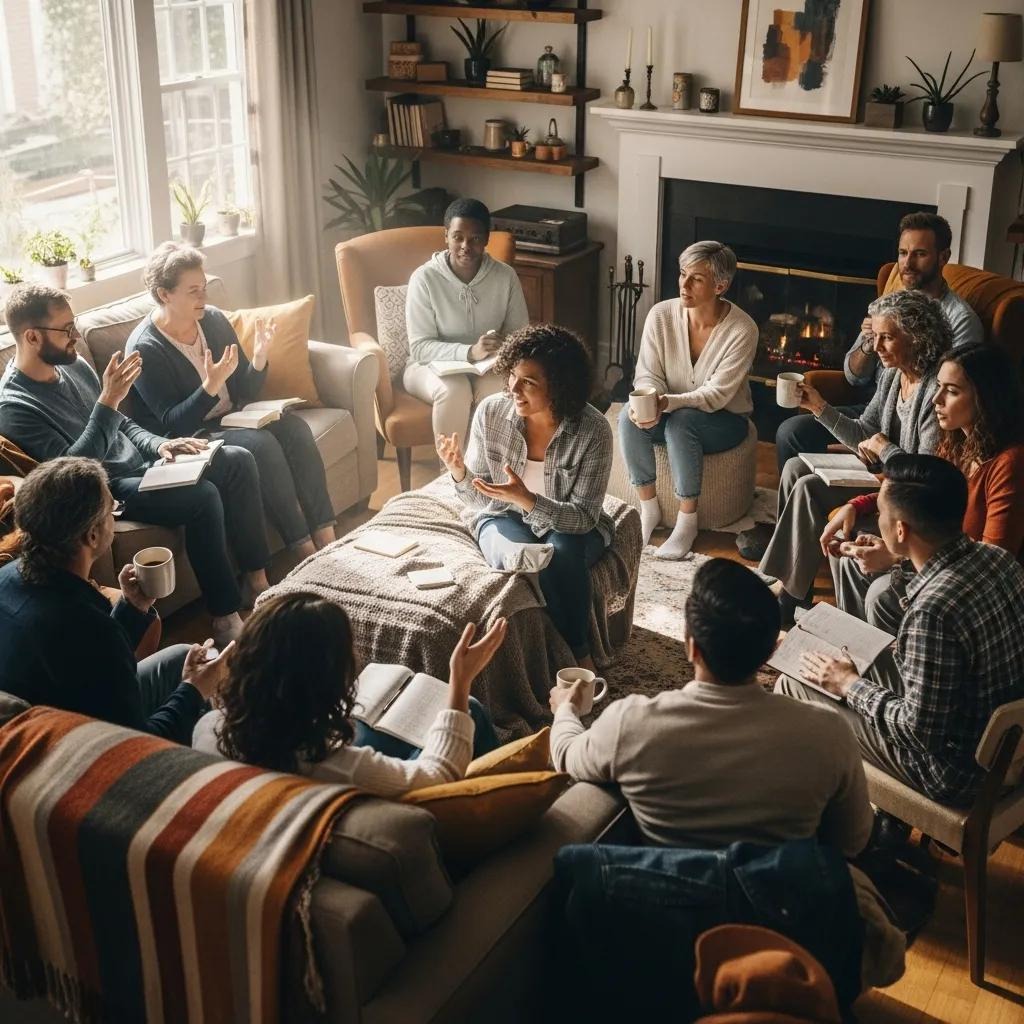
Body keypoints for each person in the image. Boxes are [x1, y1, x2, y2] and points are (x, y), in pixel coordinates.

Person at [0, 284, 270, 647]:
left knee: (237, 460)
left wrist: (161, 444)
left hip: (143, 462)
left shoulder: (74, 365)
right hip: (108, 485)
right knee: (202, 495)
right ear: (32, 336)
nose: (76, 337)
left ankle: (258, 582)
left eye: (74, 325)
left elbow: (123, 424)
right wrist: (109, 399)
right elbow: (72, 474)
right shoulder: (15, 407)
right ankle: (224, 616)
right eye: (66, 330)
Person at [550, 557, 873, 853]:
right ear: (771, 653)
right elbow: (852, 842)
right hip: (779, 906)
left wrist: (567, 709)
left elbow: (566, 757)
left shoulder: (630, 722)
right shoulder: (828, 731)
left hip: (668, 902)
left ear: (691, 647)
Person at [780, 454, 1024, 805]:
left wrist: (850, 685)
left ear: (900, 530)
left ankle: (840, 816)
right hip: (1004, 745)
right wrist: (897, 560)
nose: (876, 520)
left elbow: (919, 732)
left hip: (954, 772)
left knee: (792, 683)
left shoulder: (932, 613)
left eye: (880, 513)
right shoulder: (997, 559)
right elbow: (950, 580)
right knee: (840, 653)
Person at [126, 242, 336, 562]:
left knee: (294, 428)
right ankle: (303, 546)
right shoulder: (145, 348)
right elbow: (174, 422)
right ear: (165, 294)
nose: (204, 297)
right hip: (191, 436)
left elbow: (244, 390)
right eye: (193, 291)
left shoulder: (212, 321)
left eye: (205, 287)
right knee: (261, 444)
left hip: (234, 416)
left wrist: (261, 357)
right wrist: (210, 385)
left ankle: (327, 534)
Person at [0, 457, 231, 744]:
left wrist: (132, 609)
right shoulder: (86, 626)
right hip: (81, 749)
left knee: (179, 655)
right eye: (113, 509)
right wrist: (195, 689)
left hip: (60, 713)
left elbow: (90, 669)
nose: (115, 514)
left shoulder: (8, 576)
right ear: (93, 535)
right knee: (205, 691)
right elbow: (138, 747)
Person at [193, 591, 506, 796]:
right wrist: (460, 682)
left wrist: (197, 687)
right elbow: (438, 779)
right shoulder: (330, 765)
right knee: (472, 711)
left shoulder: (208, 728)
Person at [759, 289, 950, 625]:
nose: (876, 349)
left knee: (806, 487)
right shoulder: (893, 374)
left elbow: (924, 476)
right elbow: (864, 430)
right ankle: (795, 590)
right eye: (875, 337)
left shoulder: (935, 391)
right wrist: (818, 406)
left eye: (887, 338)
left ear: (917, 337)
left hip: (901, 490)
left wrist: (883, 449)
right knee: (794, 467)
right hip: (880, 472)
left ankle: (787, 599)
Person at [437, 324, 613, 671]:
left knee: (559, 554)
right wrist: (459, 473)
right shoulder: (491, 412)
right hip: (503, 517)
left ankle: (580, 656)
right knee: (526, 557)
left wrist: (529, 500)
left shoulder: (593, 430)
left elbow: (584, 517)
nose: (513, 388)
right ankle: (576, 658)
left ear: (560, 387)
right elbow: (477, 500)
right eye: (513, 376)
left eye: (528, 382)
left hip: (568, 524)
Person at [822, 343, 1024, 633]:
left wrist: (896, 558)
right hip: (934, 558)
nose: (935, 400)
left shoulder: (1010, 463)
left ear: (986, 399)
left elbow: (992, 561)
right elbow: (915, 490)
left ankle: (893, 672)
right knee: (850, 560)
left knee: (882, 595)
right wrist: (857, 505)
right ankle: (856, 656)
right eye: (938, 387)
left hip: (970, 586)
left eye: (952, 391)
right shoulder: (957, 442)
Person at [773, 211, 983, 475]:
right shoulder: (888, 310)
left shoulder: (959, 321)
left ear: (943, 257)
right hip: (881, 401)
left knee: (802, 465)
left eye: (919, 254)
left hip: (913, 419)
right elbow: (853, 376)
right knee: (790, 437)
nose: (907, 263)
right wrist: (868, 342)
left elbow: (949, 388)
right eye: (903, 253)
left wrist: (882, 449)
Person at [619, 241, 758, 558]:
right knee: (628, 417)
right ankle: (648, 508)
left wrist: (668, 403)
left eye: (696, 278)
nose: (684, 284)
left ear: (720, 285)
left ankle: (687, 521)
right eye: (682, 274)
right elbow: (647, 373)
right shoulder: (661, 315)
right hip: (671, 408)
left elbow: (717, 395)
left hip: (726, 419)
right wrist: (651, 399)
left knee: (681, 425)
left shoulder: (742, 329)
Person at [404, 198, 530, 442]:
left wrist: (503, 347)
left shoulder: (505, 276)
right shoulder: (424, 278)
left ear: (486, 239)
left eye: (475, 238)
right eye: (457, 237)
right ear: (446, 236)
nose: (465, 246)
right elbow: (419, 349)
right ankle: (452, 475)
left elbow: (520, 336)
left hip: (488, 367)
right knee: (455, 391)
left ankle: (493, 468)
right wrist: (470, 352)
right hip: (427, 367)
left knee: (499, 390)